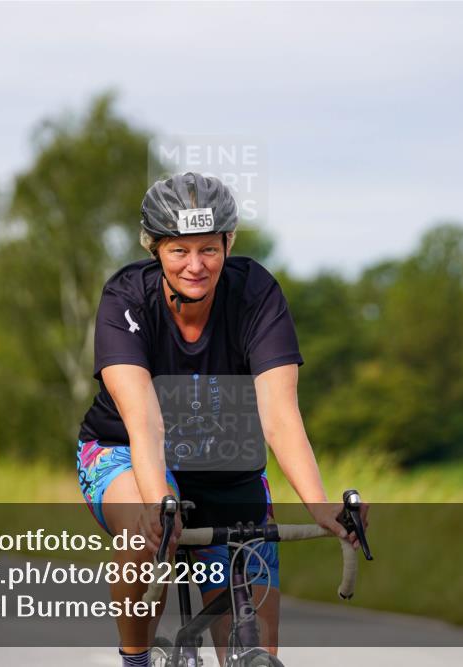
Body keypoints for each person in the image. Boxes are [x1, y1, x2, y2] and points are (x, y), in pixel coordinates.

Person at [76, 173, 369, 666]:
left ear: (229, 242)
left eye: (209, 249)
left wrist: (321, 507)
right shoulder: (126, 299)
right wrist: (159, 502)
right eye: (179, 251)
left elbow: (279, 416)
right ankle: (136, 660)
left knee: (254, 644)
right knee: (145, 537)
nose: (196, 266)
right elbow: (145, 421)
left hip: (226, 459)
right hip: (126, 450)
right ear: (154, 249)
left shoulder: (256, 293)